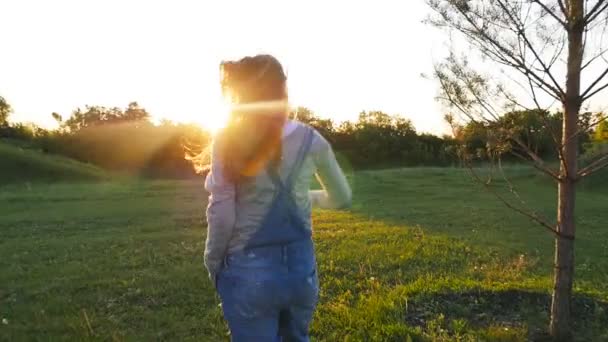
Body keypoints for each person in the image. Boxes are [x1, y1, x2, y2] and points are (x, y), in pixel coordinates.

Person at [203, 54, 351, 341]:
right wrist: (308, 198)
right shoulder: (313, 140)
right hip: (301, 272)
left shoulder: (228, 139)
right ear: (283, 91)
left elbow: (221, 214)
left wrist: (212, 262)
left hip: (248, 273)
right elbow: (342, 197)